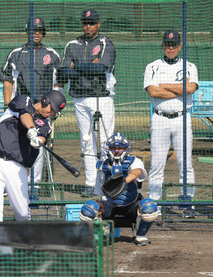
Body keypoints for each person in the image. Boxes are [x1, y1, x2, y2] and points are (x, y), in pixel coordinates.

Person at [57, 9, 116, 197]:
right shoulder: (72, 44)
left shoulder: (105, 43)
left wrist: (77, 66)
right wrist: (88, 66)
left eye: (91, 23)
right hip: (80, 98)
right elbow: (63, 73)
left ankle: (107, 182)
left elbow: (100, 68)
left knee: (106, 141)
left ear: (98, 24)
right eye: (85, 23)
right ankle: (91, 183)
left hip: (102, 97)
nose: (88, 26)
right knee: (86, 141)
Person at [0, 90, 66, 222]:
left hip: (15, 166)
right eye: (52, 109)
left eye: (55, 112)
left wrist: (38, 141)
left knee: (22, 212)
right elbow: (24, 115)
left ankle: (23, 239)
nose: (52, 113)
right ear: (45, 100)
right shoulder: (24, 100)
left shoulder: (46, 124)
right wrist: (31, 129)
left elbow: (42, 136)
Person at [0, 17, 63, 184]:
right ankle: (13, 183)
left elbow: (58, 82)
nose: (36, 33)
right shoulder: (16, 54)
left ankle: (34, 185)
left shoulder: (52, 54)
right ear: (27, 32)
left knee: (38, 146)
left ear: (43, 33)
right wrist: (7, 105)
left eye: (39, 30)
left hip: (43, 109)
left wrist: (55, 109)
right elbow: (8, 80)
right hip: (21, 107)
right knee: (14, 143)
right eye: (32, 30)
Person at [144, 30, 198, 218]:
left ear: (180, 46)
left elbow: (191, 88)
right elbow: (153, 92)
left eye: (174, 44)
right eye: (168, 44)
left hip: (183, 118)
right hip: (159, 119)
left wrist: (164, 86)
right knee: (157, 164)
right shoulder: (152, 66)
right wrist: (180, 90)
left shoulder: (189, 66)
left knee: (186, 164)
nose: (171, 47)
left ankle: (186, 204)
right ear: (162, 45)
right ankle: (155, 204)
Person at [79, 132, 159, 246]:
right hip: (110, 203)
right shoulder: (102, 165)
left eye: (120, 148)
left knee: (149, 206)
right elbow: (100, 191)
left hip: (131, 203)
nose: (116, 150)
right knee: (89, 208)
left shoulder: (135, 161)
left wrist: (124, 181)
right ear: (108, 148)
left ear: (126, 149)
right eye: (113, 147)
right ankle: (101, 233)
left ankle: (140, 235)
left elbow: (137, 171)